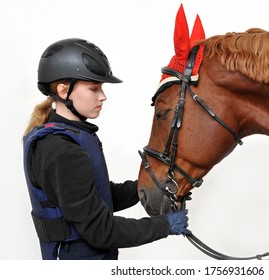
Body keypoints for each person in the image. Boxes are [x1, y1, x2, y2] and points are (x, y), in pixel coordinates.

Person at [23, 38, 190, 260]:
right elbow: (100, 231)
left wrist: (153, 185)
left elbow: (97, 196)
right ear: (64, 91)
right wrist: (164, 225)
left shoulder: (72, 136)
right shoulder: (62, 151)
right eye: (94, 88)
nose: (103, 96)